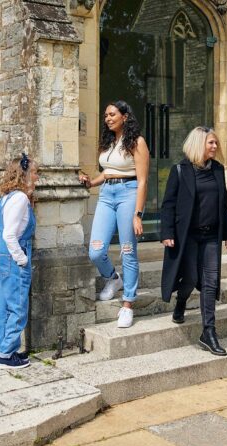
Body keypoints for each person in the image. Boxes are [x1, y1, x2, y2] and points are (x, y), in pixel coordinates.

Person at [160, 126, 227, 356]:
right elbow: (168, 204)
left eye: (215, 143)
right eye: (210, 143)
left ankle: (208, 332)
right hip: (188, 236)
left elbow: (224, 203)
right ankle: (181, 302)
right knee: (191, 277)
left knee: (211, 282)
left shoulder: (218, 170)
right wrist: (167, 232)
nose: (215, 146)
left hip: (211, 235)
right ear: (198, 144)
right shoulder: (180, 170)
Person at [79, 100, 149, 328]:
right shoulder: (108, 142)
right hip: (107, 195)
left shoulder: (137, 143)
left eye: (112, 114)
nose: (108, 118)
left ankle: (128, 303)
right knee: (96, 251)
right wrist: (91, 182)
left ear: (125, 117)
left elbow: (143, 181)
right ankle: (113, 278)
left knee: (127, 250)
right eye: (106, 115)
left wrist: (138, 214)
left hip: (129, 194)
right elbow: (107, 173)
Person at [0, 154, 39, 369]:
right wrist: (21, 259)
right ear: (25, 174)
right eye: (35, 173)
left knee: (5, 304)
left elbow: (1, 230)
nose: (37, 177)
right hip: (14, 255)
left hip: (2, 255)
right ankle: (5, 354)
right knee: (18, 306)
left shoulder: (5, 198)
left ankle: (4, 349)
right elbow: (9, 235)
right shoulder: (19, 198)